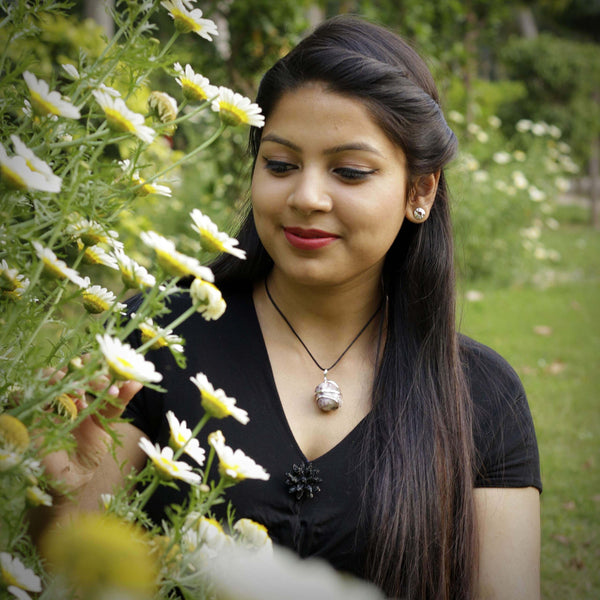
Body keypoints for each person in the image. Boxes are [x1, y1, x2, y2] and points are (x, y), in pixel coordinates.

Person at [38, 15, 542, 600]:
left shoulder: (482, 397)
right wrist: (57, 503)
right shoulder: (158, 338)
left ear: (420, 191)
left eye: (349, 171)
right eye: (280, 165)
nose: (306, 197)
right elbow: (75, 574)